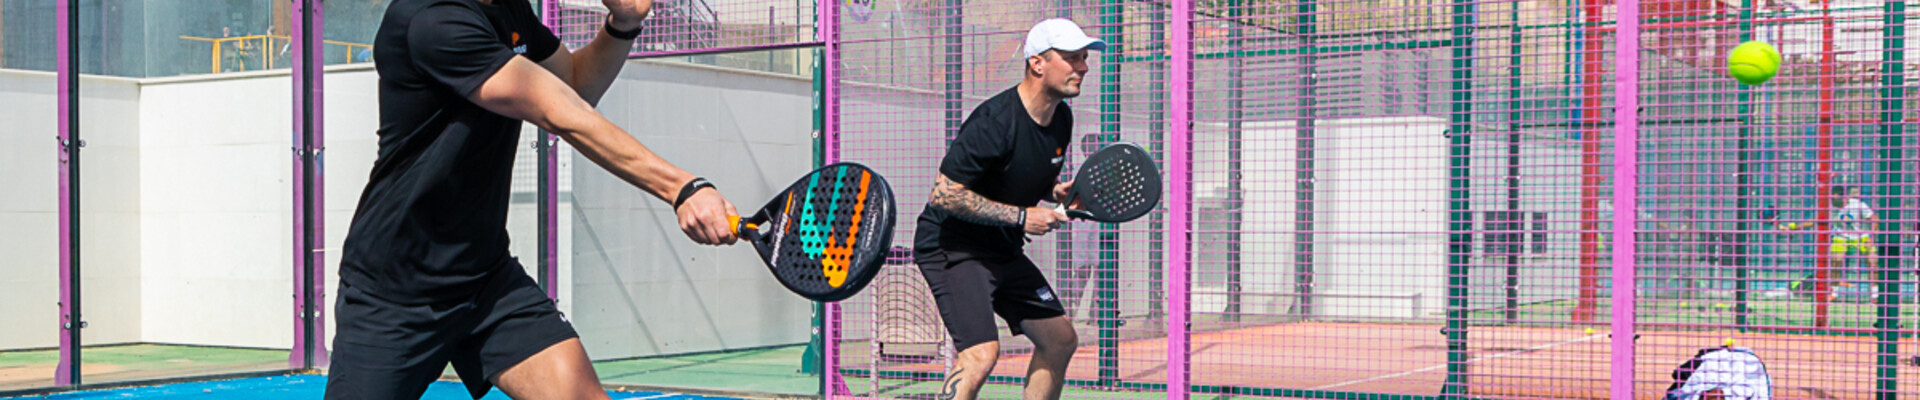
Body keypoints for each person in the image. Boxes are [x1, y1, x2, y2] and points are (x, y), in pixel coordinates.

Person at [326, 0, 741, 399]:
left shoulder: (509, 9)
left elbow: (576, 85)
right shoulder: (432, 19)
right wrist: (681, 187)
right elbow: (560, 111)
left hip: (486, 280)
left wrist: (624, 23)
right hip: (394, 292)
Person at [913, 18, 1104, 400]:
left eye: (1084, 57)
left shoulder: (1061, 117)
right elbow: (944, 194)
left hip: (1001, 248)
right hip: (952, 248)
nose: (1083, 67)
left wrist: (1056, 192)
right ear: (1037, 63)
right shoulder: (993, 122)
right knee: (981, 353)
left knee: (1060, 339)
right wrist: (1022, 217)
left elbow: (1021, 176)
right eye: (1071, 58)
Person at [1776, 186, 1878, 300]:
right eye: (1831, 199)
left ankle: (1875, 295)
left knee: (1872, 262)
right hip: (1841, 237)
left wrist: (1870, 236)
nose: (1832, 201)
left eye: (1834, 199)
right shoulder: (1830, 208)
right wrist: (1791, 227)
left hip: (1861, 236)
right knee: (1836, 263)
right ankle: (1833, 293)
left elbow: (1875, 220)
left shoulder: (1859, 205)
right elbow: (1814, 221)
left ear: (1843, 197)